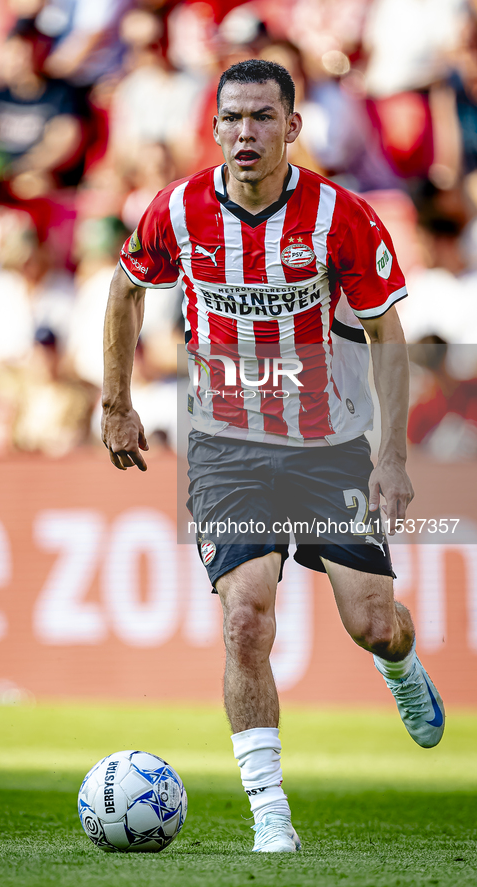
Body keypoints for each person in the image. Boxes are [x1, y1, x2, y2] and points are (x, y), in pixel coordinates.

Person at [100, 59, 445, 854]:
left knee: (372, 624)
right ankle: (269, 815)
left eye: (262, 117)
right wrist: (116, 404)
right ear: (213, 127)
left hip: (327, 449)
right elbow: (124, 290)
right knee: (246, 617)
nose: (245, 132)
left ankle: (399, 664)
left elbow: (387, 333)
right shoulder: (178, 209)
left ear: (292, 127)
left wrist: (390, 455)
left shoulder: (339, 216)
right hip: (225, 449)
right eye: (231, 118)